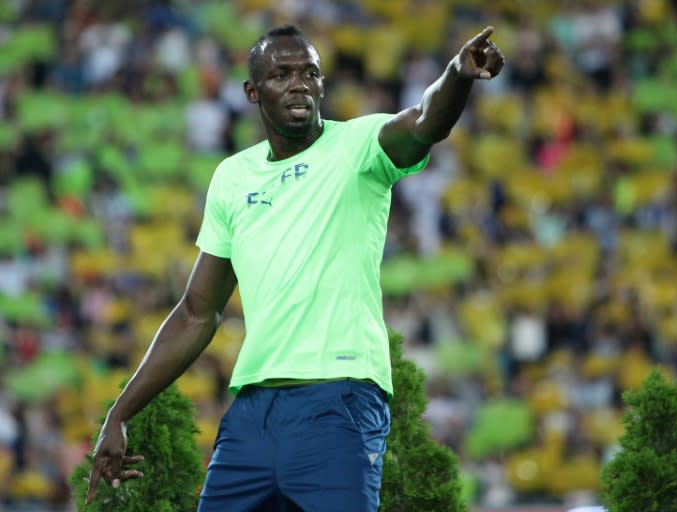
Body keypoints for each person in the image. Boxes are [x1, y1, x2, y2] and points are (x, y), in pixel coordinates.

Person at [85, 23, 505, 511]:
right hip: (251, 414)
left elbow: (426, 122)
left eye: (309, 72)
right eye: (281, 74)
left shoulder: (359, 148)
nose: (299, 83)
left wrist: (458, 74)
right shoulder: (231, 178)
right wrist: (120, 412)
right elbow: (197, 313)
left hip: (340, 400)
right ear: (252, 91)